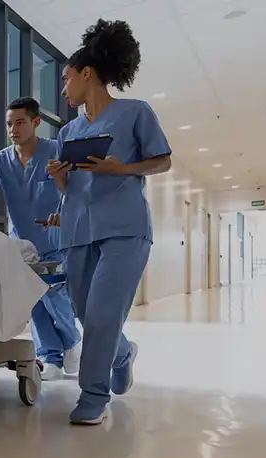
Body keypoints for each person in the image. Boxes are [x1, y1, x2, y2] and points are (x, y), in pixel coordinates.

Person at [46, 20, 173, 425]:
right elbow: (70, 190)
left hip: (125, 229)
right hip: (78, 231)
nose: (63, 89)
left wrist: (123, 168)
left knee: (101, 315)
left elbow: (163, 160)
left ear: (87, 74)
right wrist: (58, 176)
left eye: (66, 79)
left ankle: (92, 397)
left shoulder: (135, 112)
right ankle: (122, 352)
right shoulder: (69, 131)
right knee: (87, 315)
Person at [0, 97, 81, 382]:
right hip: (22, 245)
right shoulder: (1, 161)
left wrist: (66, 213)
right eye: (9, 124)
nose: (13, 129)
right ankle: (49, 356)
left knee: (55, 295)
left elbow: (77, 190)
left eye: (20, 122)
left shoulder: (56, 151)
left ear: (35, 122)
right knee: (32, 300)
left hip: (55, 240)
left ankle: (72, 340)